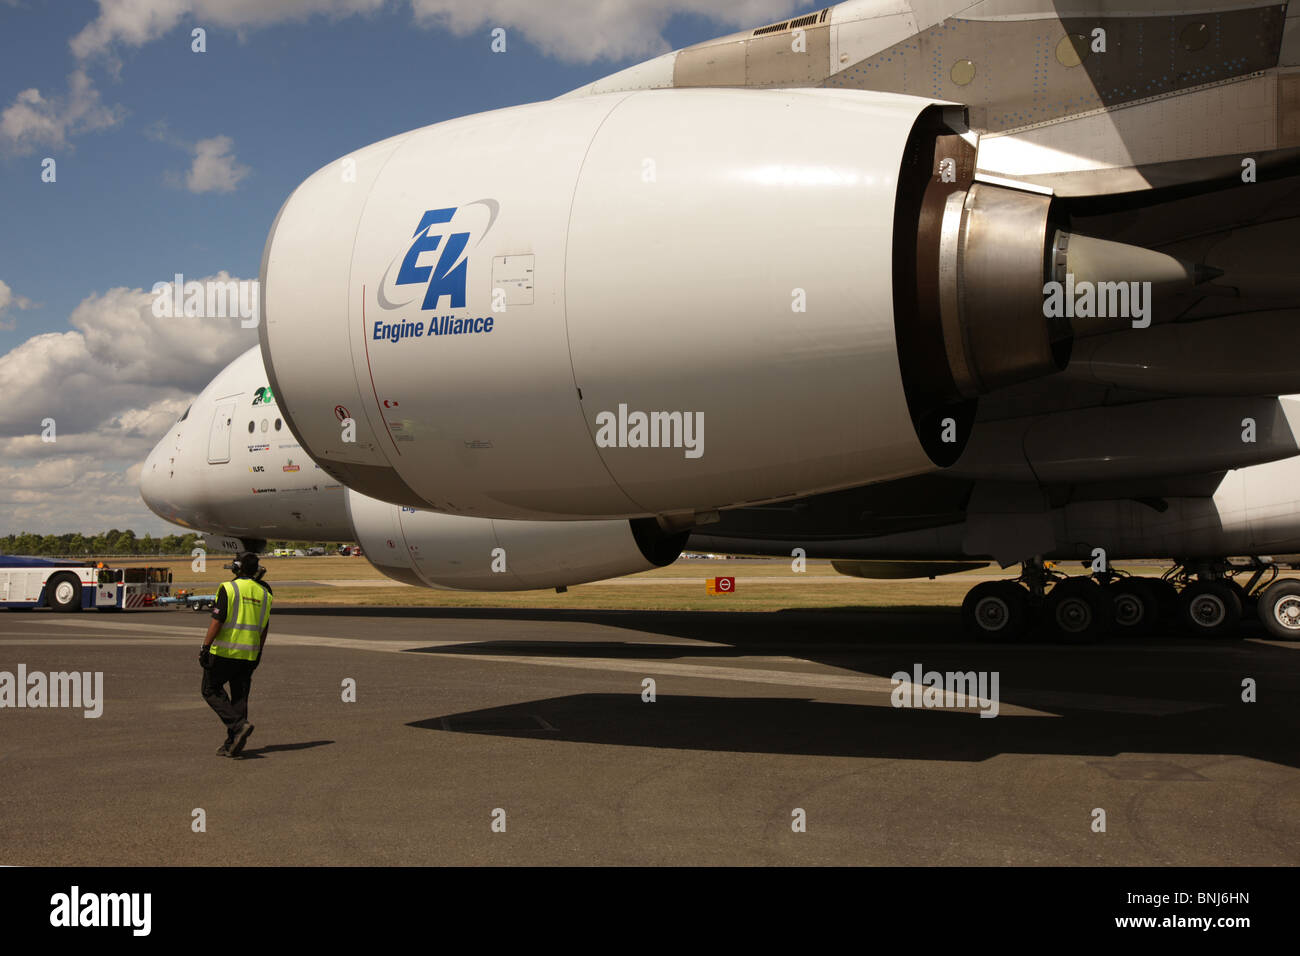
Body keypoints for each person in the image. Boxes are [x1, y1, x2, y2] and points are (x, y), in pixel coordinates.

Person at [200, 552, 274, 757]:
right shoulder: (265, 593)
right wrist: (259, 650)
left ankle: (238, 725)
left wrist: (205, 646)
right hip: (249, 653)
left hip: (225, 651)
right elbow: (264, 627)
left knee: (210, 689)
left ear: (236, 568)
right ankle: (233, 742)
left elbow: (218, 620)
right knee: (239, 697)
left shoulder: (228, 588)